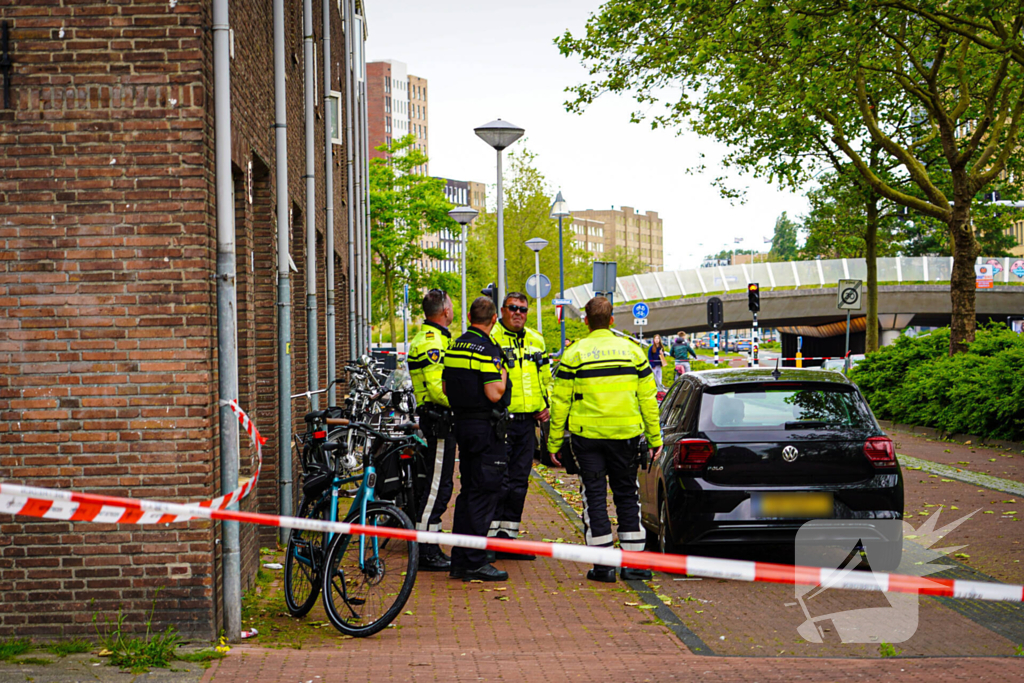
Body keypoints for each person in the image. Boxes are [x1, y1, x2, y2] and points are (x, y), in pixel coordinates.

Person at [547, 296, 663, 583]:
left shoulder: (574, 354)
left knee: (594, 497)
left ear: (586, 321)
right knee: (627, 495)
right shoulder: (633, 352)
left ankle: (603, 567)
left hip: (587, 439)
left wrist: (553, 444)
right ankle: (633, 566)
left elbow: (559, 402)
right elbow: (648, 399)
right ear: (612, 320)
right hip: (625, 436)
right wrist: (654, 438)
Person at [442, 296, 512, 582]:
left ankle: (460, 559)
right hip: (485, 429)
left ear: (470, 316)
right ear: (494, 319)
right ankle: (474, 562)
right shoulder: (487, 349)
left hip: (463, 425)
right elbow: (494, 392)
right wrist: (504, 370)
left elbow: (446, 386)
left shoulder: (454, 345)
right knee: (485, 492)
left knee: (468, 492)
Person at [488, 293, 550, 560]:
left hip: (527, 424)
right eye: (512, 308)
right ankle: (490, 541)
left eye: (523, 309)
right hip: (500, 422)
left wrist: (546, 403)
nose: (518, 313)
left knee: (519, 482)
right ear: (502, 310)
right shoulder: (491, 338)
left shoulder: (537, 340)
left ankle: (509, 539)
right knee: (497, 482)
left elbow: (546, 378)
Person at [406, 289, 457, 572]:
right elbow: (438, 390)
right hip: (437, 419)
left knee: (438, 484)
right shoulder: (431, 342)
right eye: (451, 305)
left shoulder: (436, 338)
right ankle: (425, 550)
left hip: (437, 419)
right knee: (437, 486)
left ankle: (429, 544)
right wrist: (463, 404)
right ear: (445, 311)